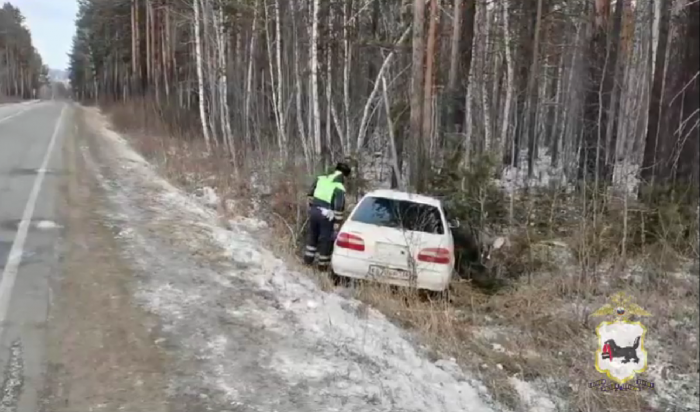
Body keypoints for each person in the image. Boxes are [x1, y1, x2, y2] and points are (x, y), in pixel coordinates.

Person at [304, 162, 351, 270]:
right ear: (344, 176)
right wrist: (337, 224)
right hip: (326, 215)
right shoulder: (339, 187)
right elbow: (339, 207)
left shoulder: (320, 178)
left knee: (313, 236)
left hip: (314, 211)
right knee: (326, 240)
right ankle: (322, 266)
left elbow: (310, 194)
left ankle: (307, 261)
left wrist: (313, 208)